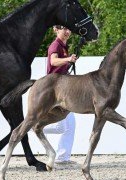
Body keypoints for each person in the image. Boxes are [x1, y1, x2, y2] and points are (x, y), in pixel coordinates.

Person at [43, 25, 77, 164]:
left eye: (69, 29)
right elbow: (53, 61)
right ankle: (32, 127)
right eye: (64, 29)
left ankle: (63, 158)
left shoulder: (63, 46)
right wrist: (68, 59)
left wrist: (69, 61)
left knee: (68, 126)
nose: (67, 31)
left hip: (63, 88)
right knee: (63, 127)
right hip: (55, 90)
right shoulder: (55, 45)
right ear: (55, 30)